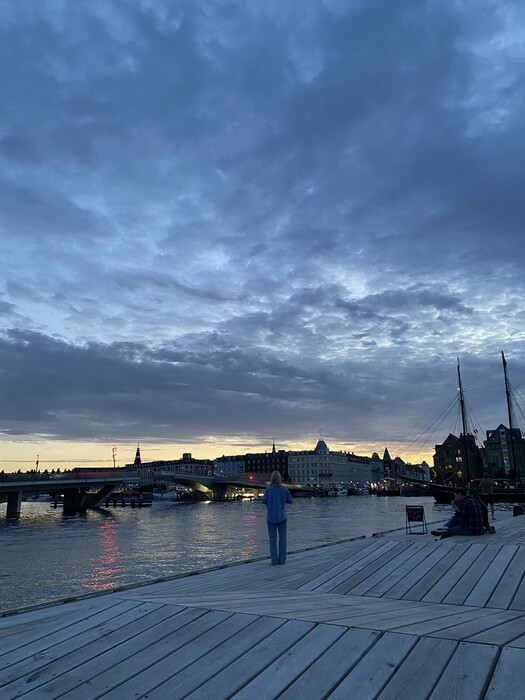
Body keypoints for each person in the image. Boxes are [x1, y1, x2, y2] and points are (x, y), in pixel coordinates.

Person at [261, 471, 293, 565]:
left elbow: (263, 501)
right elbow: (290, 500)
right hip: (282, 517)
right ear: (279, 478)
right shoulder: (284, 489)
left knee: (272, 539)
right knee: (283, 539)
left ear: (271, 478)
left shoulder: (268, 489)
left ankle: (274, 560)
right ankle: (282, 560)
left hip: (271, 517)